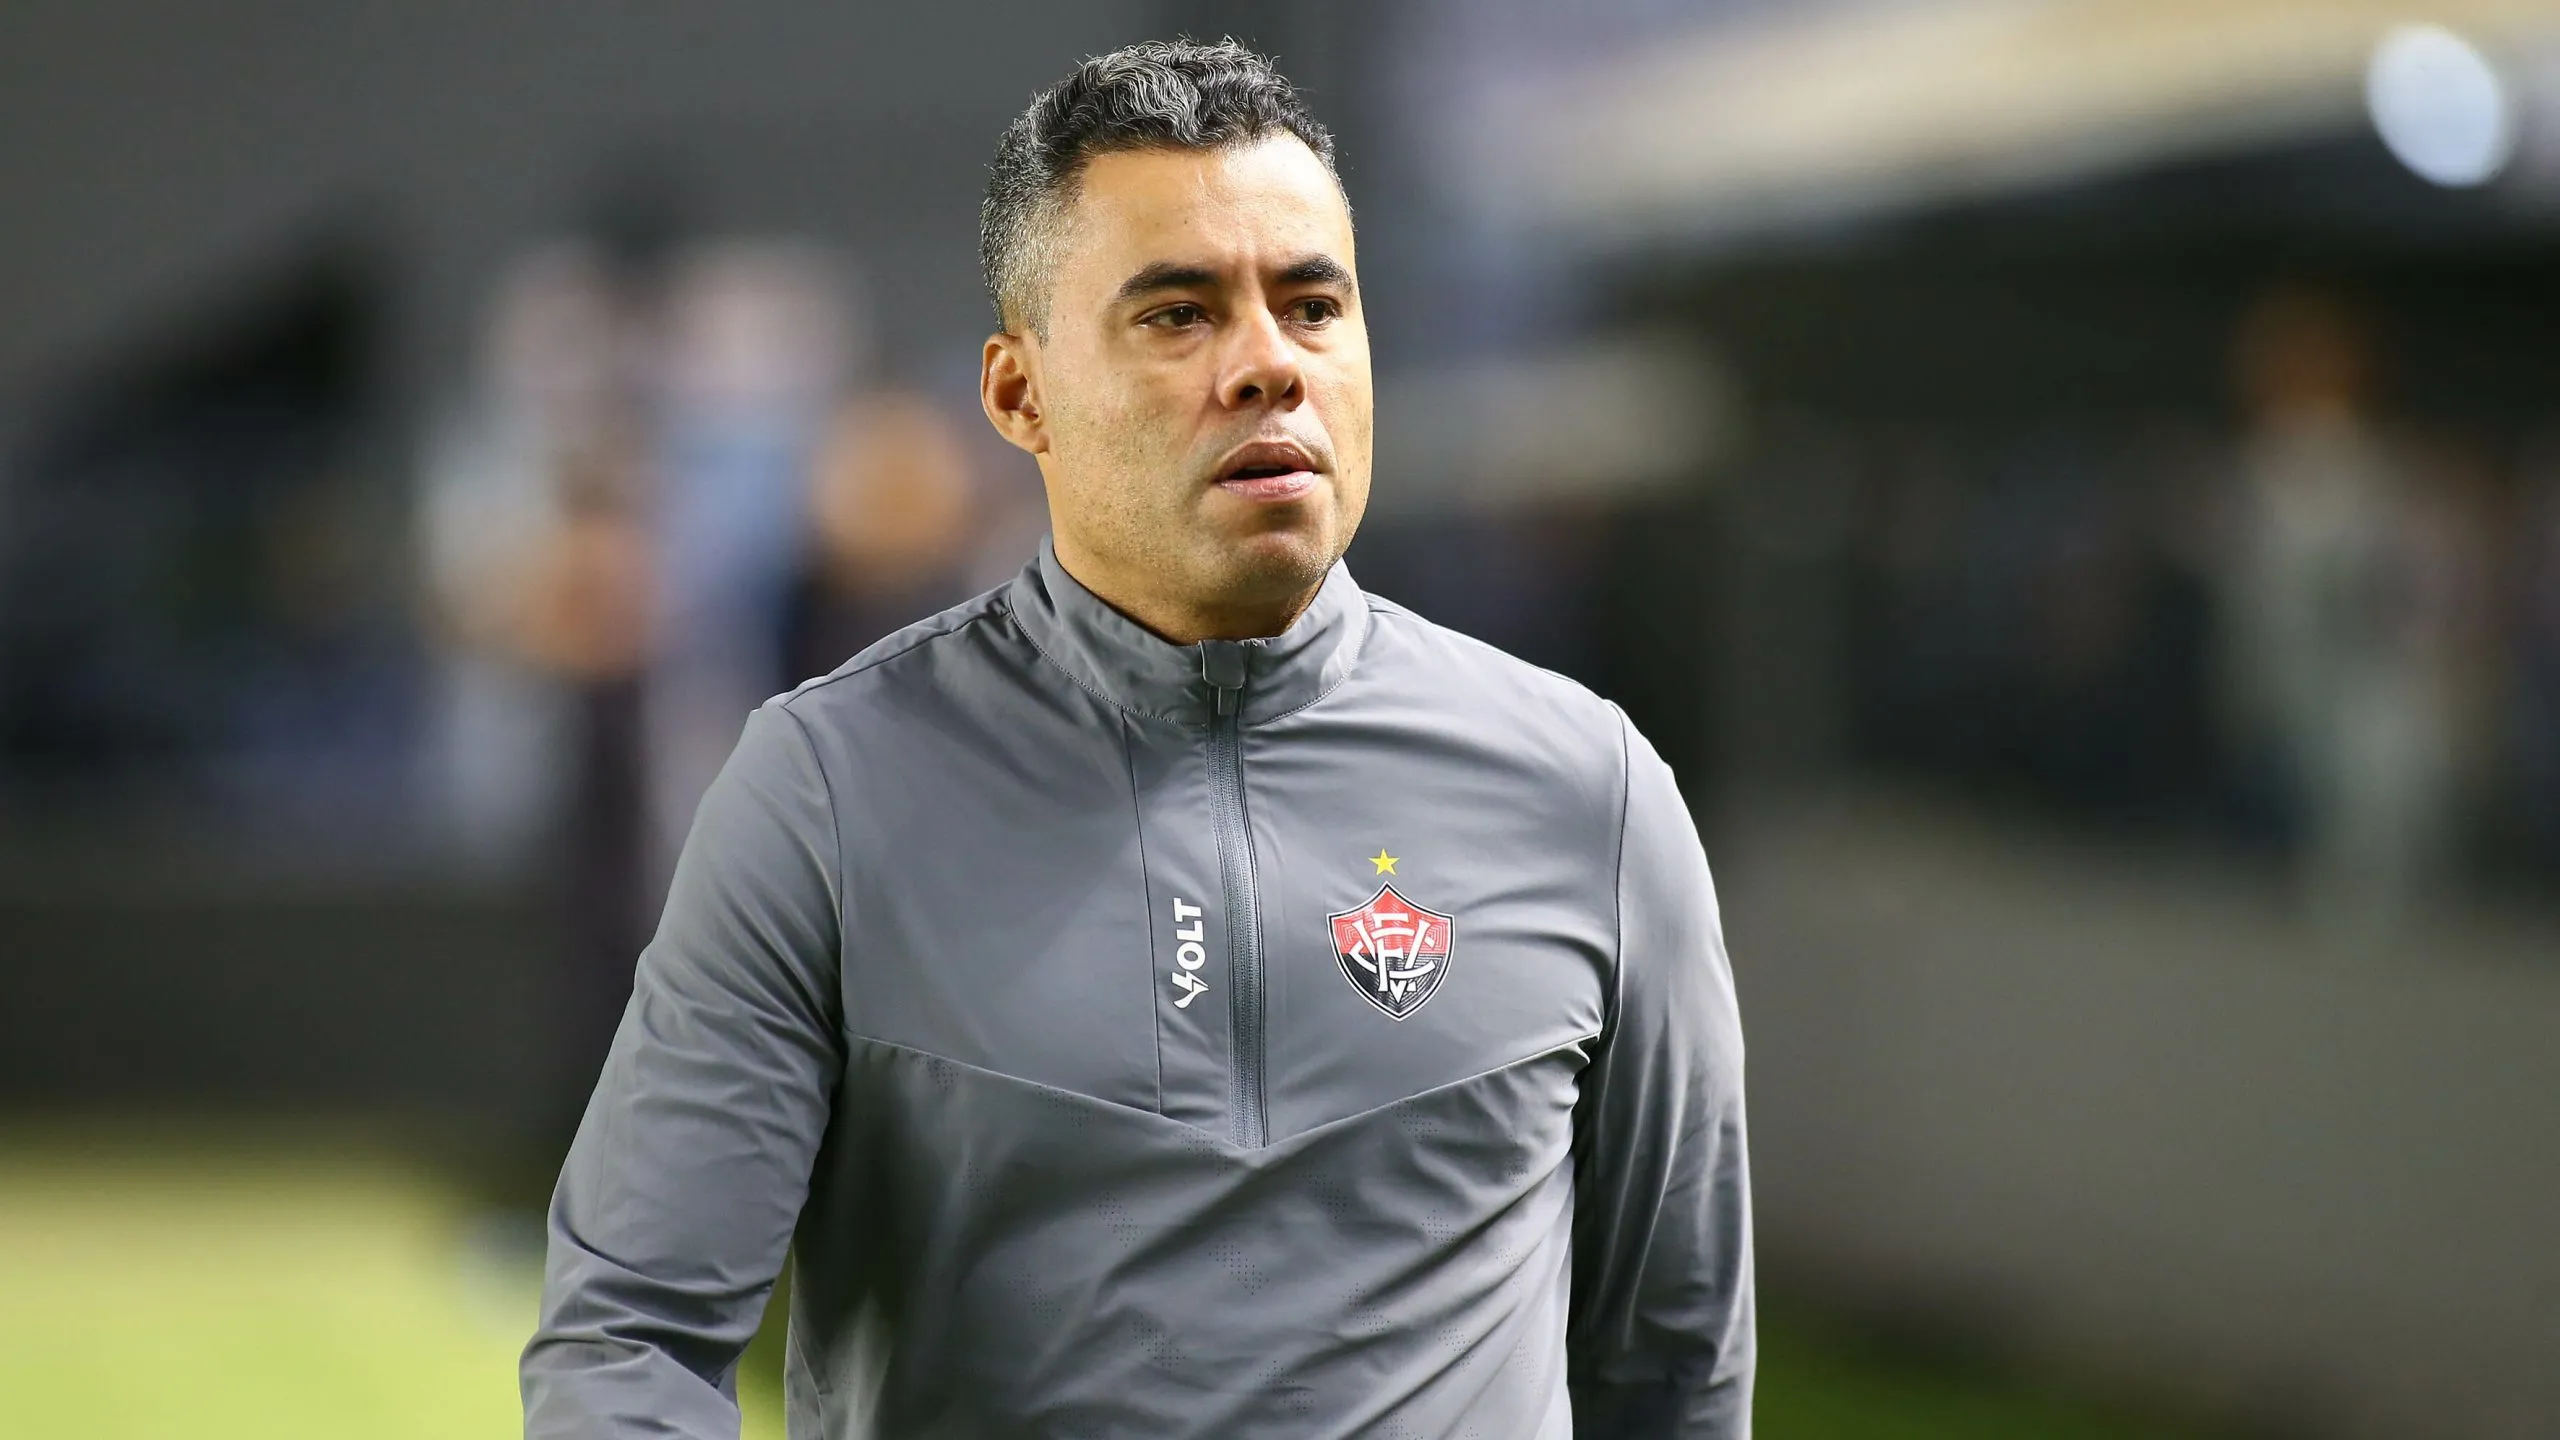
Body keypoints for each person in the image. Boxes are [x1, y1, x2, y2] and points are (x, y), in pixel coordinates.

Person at [523, 39, 1753, 1439]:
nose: (1267, 366)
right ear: (1017, 394)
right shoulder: (829, 793)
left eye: (1313, 303)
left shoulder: (1589, 796)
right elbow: (633, 1340)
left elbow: (1676, 1377)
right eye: (1178, 314)